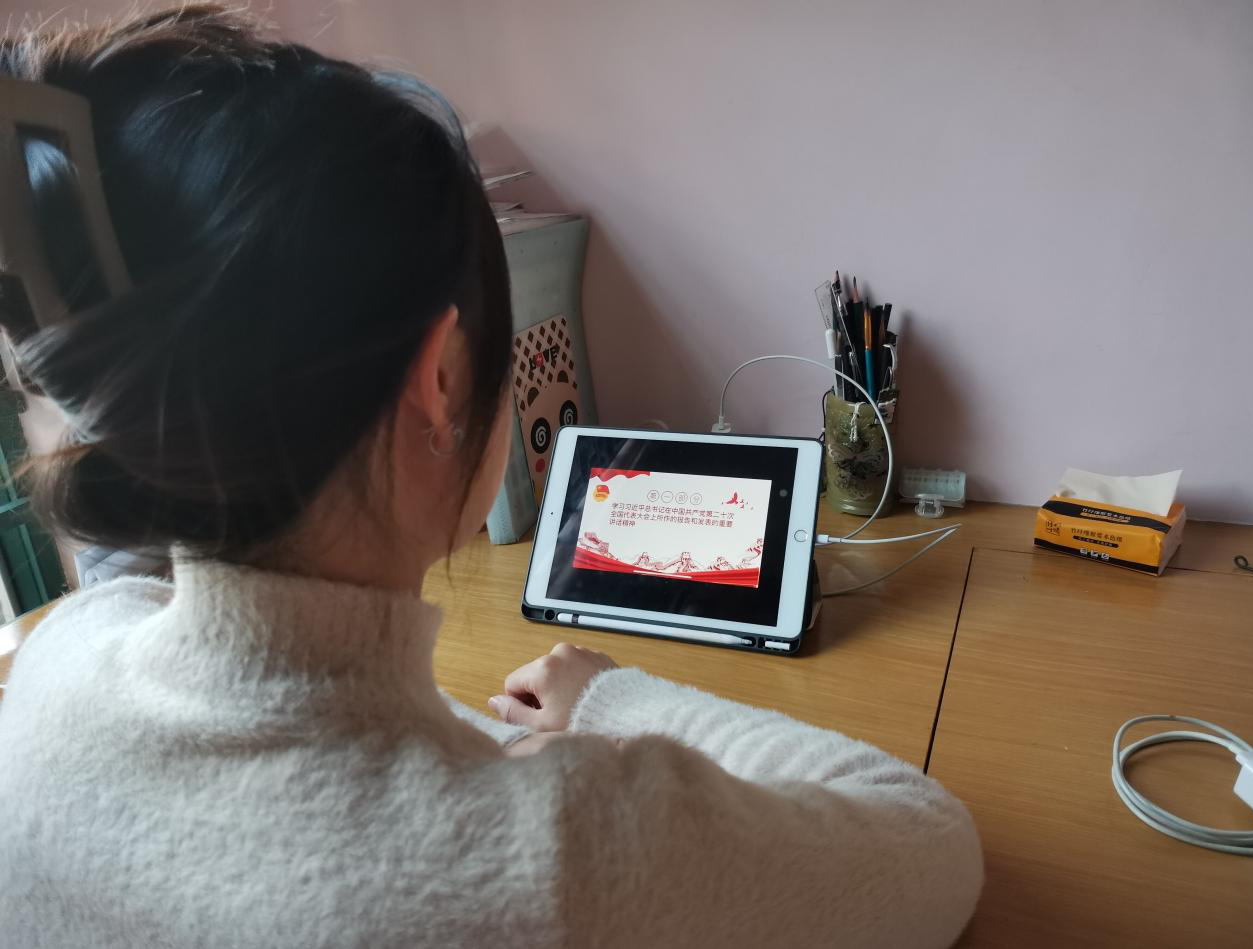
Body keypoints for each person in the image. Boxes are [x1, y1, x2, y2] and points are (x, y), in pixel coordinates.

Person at [0, 7, 982, 947]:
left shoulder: (55, 665)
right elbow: (927, 839)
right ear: (440, 376)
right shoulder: (559, 856)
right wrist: (610, 700)